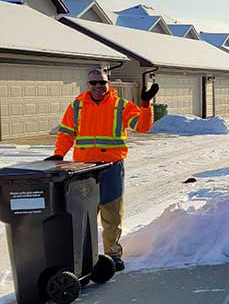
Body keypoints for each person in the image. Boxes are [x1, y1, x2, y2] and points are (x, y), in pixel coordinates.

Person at [45, 69, 159, 271]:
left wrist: (146, 105)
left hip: (111, 168)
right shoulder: (77, 106)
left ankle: (113, 255)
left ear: (108, 83)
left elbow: (142, 127)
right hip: (83, 169)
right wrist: (59, 154)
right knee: (82, 215)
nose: (98, 87)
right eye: (94, 83)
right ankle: (81, 258)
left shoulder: (121, 106)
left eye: (102, 83)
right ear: (88, 84)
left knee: (111, 214)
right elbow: (66, 133)